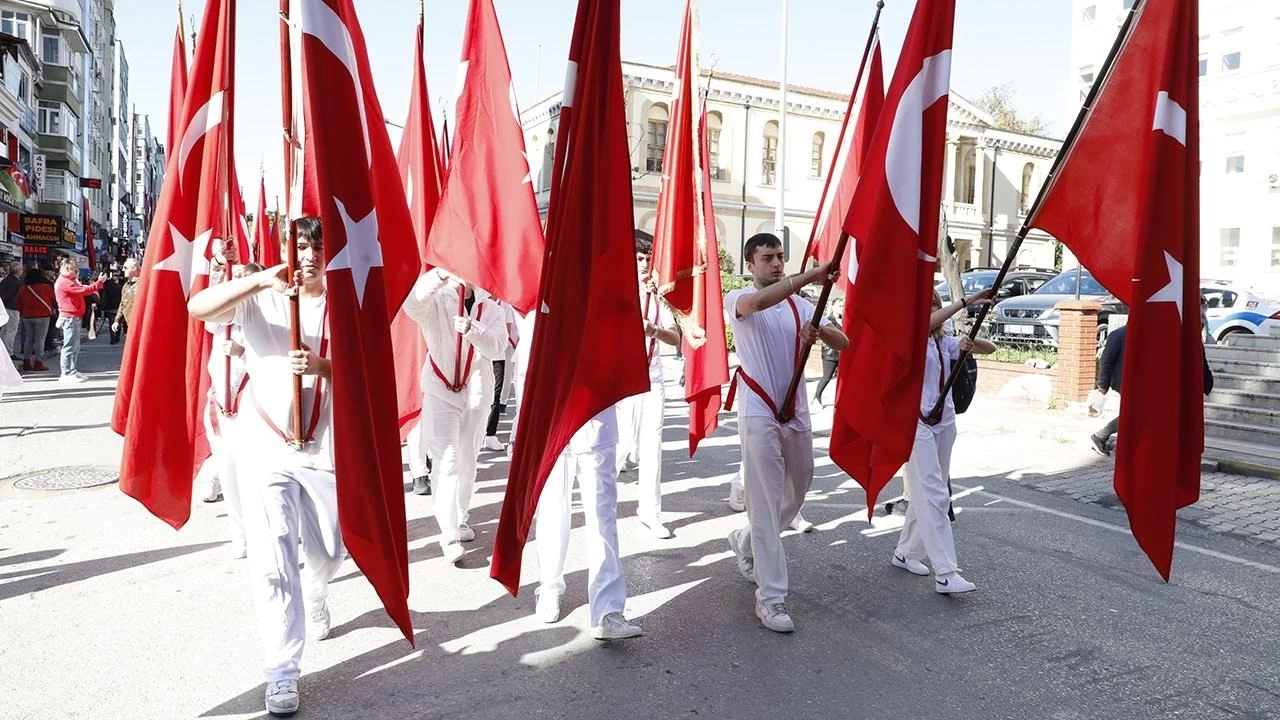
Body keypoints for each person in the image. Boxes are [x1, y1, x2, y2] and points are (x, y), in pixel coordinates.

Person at [187, 218, 342, 718]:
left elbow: (369, 366)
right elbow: (199, 307)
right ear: (287, 250)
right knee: (273, 559)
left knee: (330, 548)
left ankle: (318, 591)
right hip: (266, 446)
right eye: (301, 246)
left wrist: (320, 367)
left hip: (323, 448)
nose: (310, 255)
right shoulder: (262, 295)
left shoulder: (345, 300)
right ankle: (281, 671)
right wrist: (257, 278)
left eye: (318, 247)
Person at [724, 233, 848, 633]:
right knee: (764, 498)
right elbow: (758, 303)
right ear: (750, 265)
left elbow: (844, 341)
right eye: (767, 258)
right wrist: (812, 273)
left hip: (794, 409)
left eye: (779, 257)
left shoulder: (800, 305)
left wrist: (819, 332)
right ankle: (771, 598)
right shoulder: (739, 299)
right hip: (758, 409)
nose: (776, 264)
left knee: (799, 489)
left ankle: (745, 540)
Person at [891, 290, 995, 595]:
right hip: (917, 423)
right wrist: (965, 301)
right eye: (930, 306)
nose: (935, 310)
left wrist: (970, 344)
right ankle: (946, 572)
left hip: (945, 422)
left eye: (936, 304)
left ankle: (905, 552)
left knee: (927, 491)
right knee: (936, 493)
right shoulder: (910, 338)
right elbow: (922, 325)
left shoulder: (943, 342)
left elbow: (989, 348)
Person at [402, 267, 506, 565]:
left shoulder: (489, 305)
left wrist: (473, 330)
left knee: (467, 460)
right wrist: (439, 276)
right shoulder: (438, 297)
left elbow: (498, 348)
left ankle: (460, 516)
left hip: (476, 392)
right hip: (440, 389)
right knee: (445, 459)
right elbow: (412, 305)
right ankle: (447, 531)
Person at [533, 404, 643, 640]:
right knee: (553, 507)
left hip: (597, 413)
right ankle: (549, 586)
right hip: (551, 413)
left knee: (603, 513)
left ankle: (608, 609)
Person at [615, 232, 680, 539]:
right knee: (619, 444)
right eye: (638, 258)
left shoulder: (658, 298)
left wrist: (653, 330)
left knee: (652, 446)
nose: (643, 264)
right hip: (620, 378)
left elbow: (674, 336)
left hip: (652, 377)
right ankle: (598, 500)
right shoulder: (617, 291)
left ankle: (650, 511)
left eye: (647, 259)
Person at [1090, 323, 1214, 457]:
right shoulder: (1122, 334)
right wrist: (1103, 386)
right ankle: (1101, 436)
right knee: (1138, 414)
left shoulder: (1125, 334)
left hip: (1137, 383)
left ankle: (1106, 437)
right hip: (1130, 383)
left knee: (1138, 414)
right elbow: (1106, 362)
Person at [53, 256, 106, 382]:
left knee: (74, 346)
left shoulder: (68, 280)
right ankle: (66, 373)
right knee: (70, 346)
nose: (75, 271)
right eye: (72, 269)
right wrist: (98, 283)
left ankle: (72, 370)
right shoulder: (66, 281)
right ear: (66, 269)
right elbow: (84, 290)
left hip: (72, 315)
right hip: (70, 316)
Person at [481, 300, 519, 452]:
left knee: (495, 396)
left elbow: (507, 332)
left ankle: (490, 435)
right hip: (480, 355)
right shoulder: (480, 301)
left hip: (499, 356)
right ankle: (478, 433)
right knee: (479, 395)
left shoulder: (504, 306)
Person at [16, 270, 56, 373]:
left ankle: (26, 361)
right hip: (43, 316)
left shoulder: (23, 288)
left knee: (29, 339)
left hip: (27, 316)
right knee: (40, 339)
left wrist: (22, 314)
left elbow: (19, 303)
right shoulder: (45, 287)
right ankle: (38, 362)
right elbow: (54, 298)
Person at [112, 258, 140, 344]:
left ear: (134, 268)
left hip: (141, 326)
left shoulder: (143, 284)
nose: (123, 269)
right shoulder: (126, 286)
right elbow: (123, 304)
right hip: (130, 325)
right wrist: (117, 321)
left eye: (126, 267)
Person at [0, 261, 23, 357]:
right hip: (13, 308)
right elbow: (12, 295)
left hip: (5, 307)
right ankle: (9, 352)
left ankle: (3, 351)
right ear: (17, 271)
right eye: (21, 269)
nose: (22, 271)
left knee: (4, 330)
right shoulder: (16, 282)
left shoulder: (5, 280)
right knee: (11, 331)